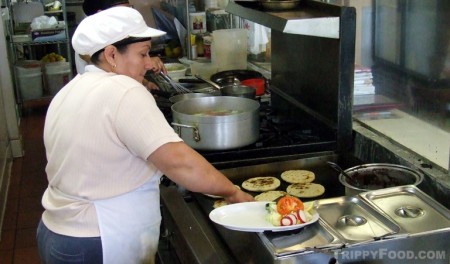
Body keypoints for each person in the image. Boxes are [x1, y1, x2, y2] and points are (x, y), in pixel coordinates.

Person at [36, 6, 254, 264]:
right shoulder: (123, 91)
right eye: (143, 53)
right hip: (100, 241)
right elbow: (180, 163)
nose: (150, 63)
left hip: (59, 234)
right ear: (112, 54)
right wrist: (232, 192)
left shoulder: (70, 91)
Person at [76, 0, 164, 91]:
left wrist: (145, 82)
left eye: (130, 9)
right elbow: (101, 60)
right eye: (122, 13)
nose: (129, 17)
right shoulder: (90, 42)